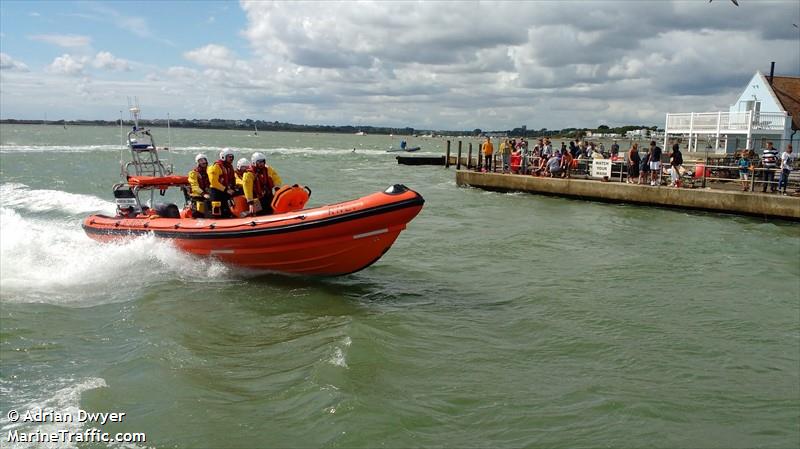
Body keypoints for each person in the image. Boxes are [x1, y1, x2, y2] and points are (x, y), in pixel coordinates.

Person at [207, 147, 236, 217]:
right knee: (217, 211)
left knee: (227, 209)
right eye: (229, 157)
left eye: (232, 157)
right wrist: (226, 190)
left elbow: (232, 179)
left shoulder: (229, 167)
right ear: (223, 157)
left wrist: (233, 188)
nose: (231, 159)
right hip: (216, 192)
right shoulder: (216, 167)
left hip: (226, 191)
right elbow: (214, 182)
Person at [187, 153, 211, 217]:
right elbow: (194, 186)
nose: (203, 162)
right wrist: (203, 194)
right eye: (201, 160)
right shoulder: (193, 173)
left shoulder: (210, 171)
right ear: (197, 162)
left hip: (208, 194)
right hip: (197, 196)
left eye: (204, 160)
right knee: (200, 210)